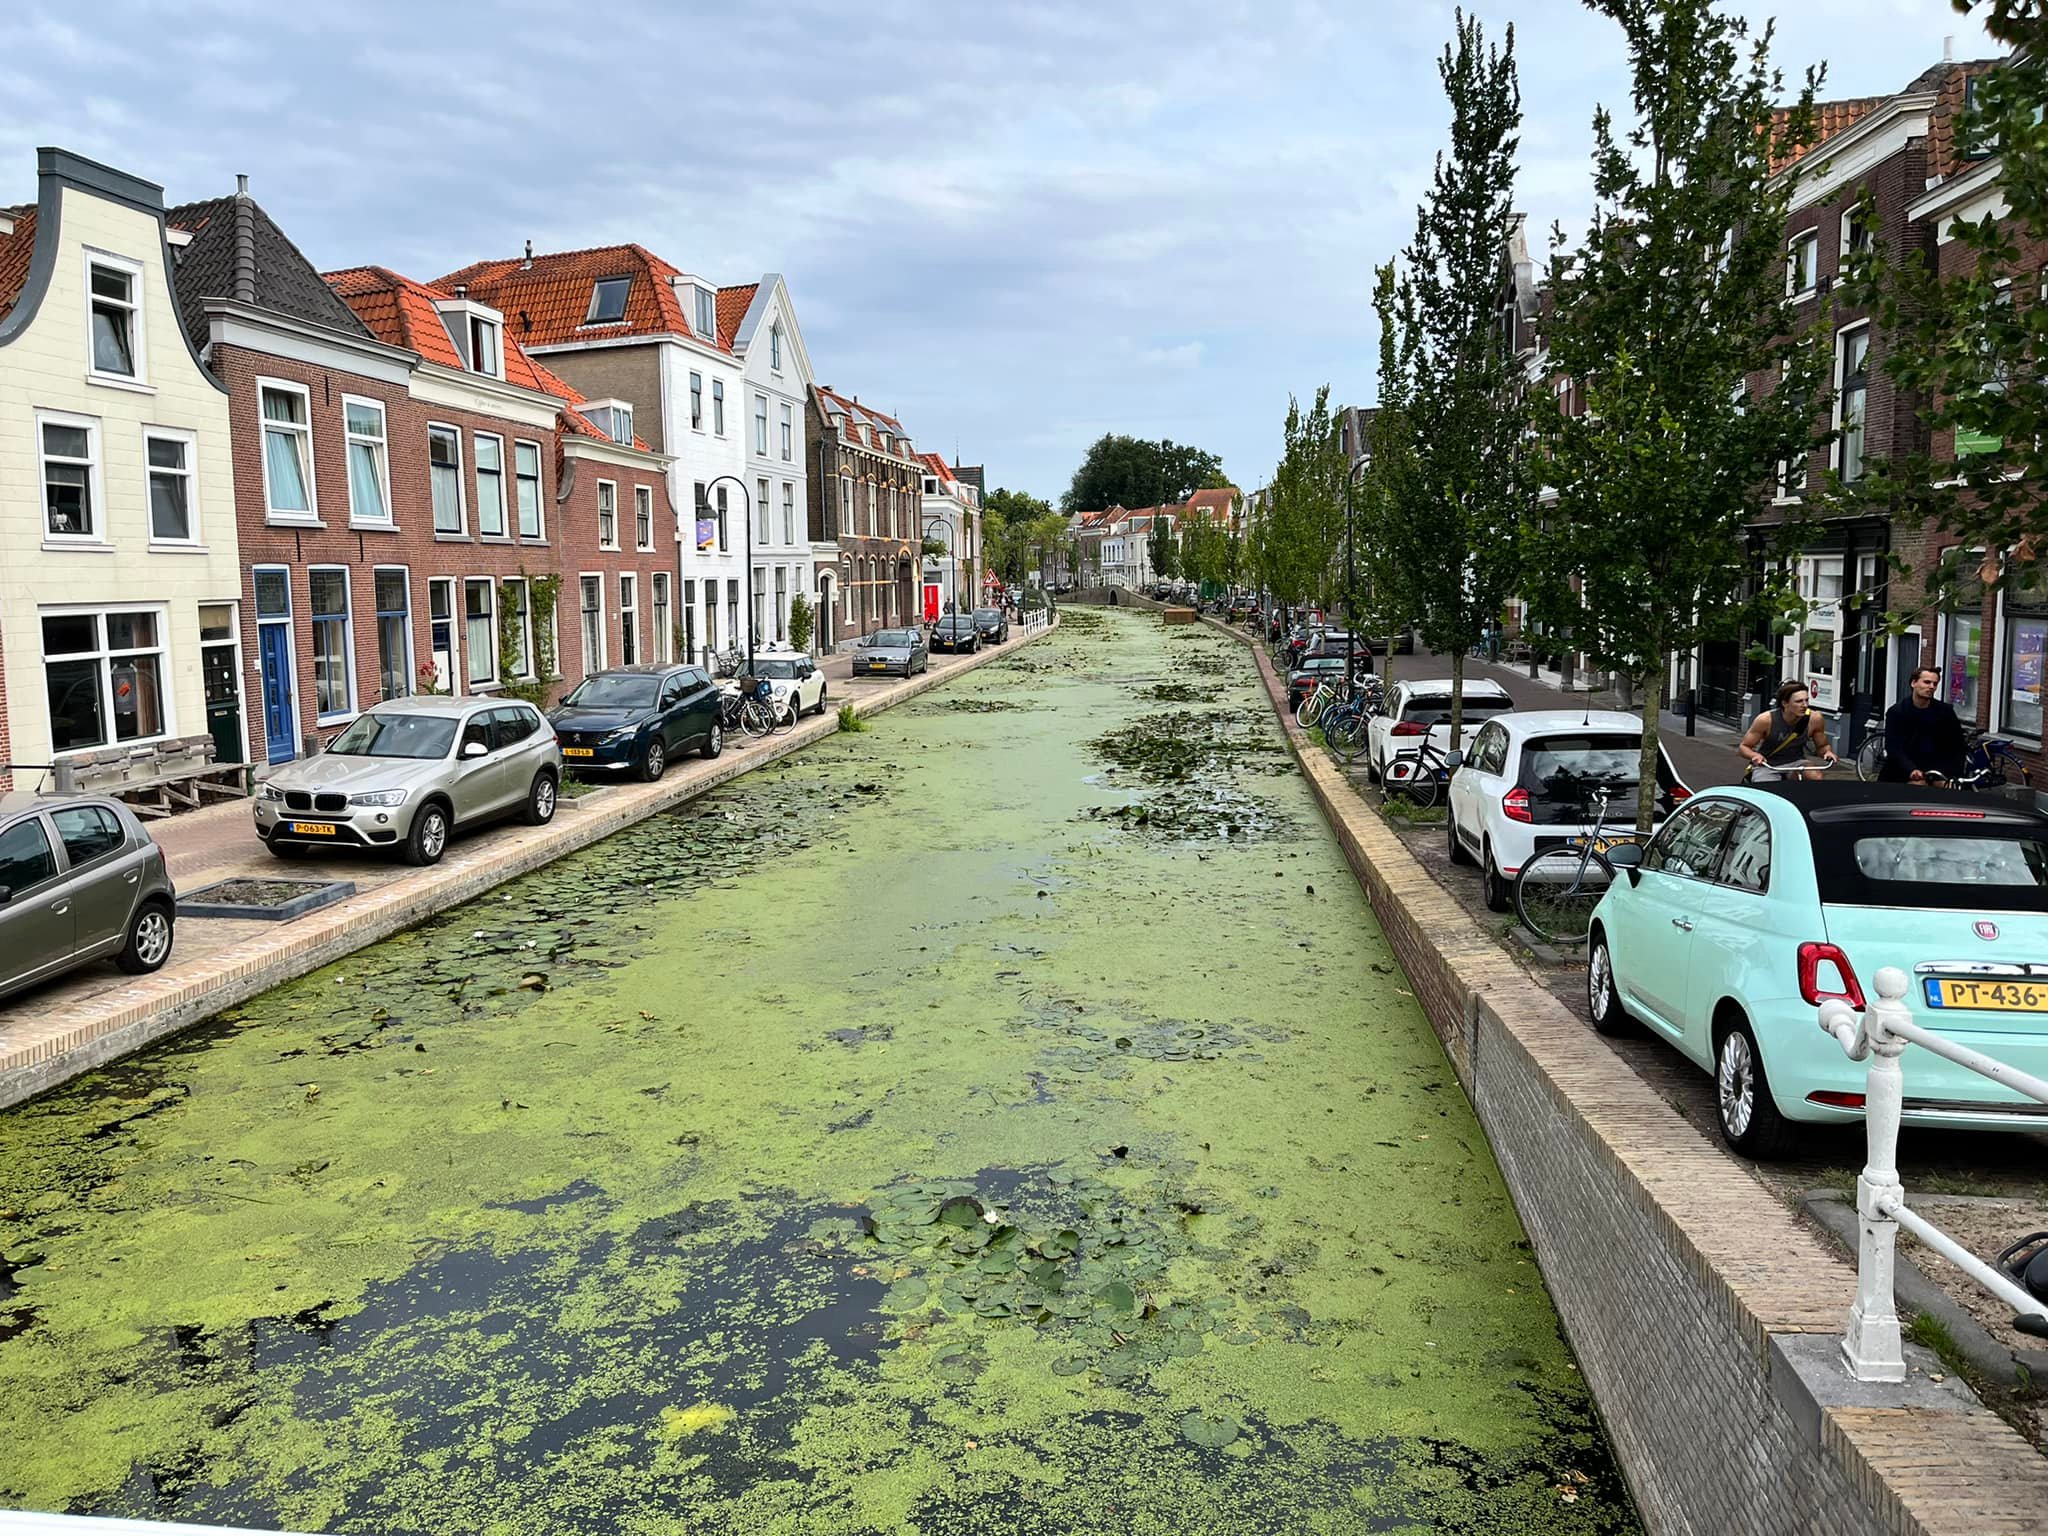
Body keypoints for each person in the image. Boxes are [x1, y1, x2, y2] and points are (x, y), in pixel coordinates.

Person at [1881, 665, 1968, 784]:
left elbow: (1957, 745)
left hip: (1938, 771)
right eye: (1927, 682)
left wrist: (1951, 774)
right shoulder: (1897, 712)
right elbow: (1893, 748)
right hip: (1905, 772)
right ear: (1913, 683)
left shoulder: (1945, 712)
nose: (1931, 687)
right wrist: (1911, 770)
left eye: (1935, 684)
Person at [1739, 681, 1838, 781]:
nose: (1804, 705)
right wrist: (1755, 755)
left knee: (1815, 777)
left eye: (1806, 700)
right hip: (1768, 765)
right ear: (1785, 703)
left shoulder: (1814, 719)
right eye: (1799, 701)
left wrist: (1827, 752)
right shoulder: (1766, 720)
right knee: (1768, 789)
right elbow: (1744, 747)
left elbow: (1822, 746)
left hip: (1796, 763)